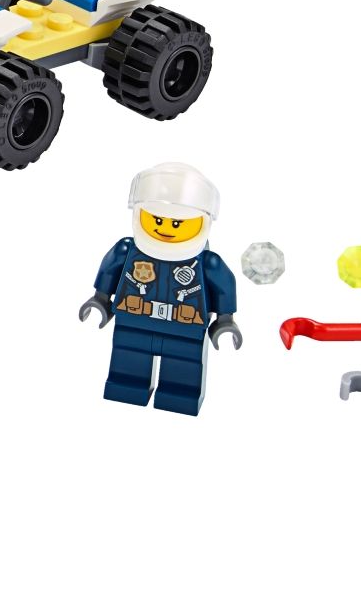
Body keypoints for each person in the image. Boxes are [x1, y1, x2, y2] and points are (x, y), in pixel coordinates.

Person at [80, 161, 241, 416]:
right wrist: (100, 299)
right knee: (128, 358)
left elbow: (223, 285)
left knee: (184, 366)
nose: (165, 228)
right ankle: (126, 385)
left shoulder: (207, 263)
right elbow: (110, 270)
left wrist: (225, 320)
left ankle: (180, 394)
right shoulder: (127, 249)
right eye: (157, 219)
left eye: (177, 224)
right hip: (134, 320)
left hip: (184, 327)